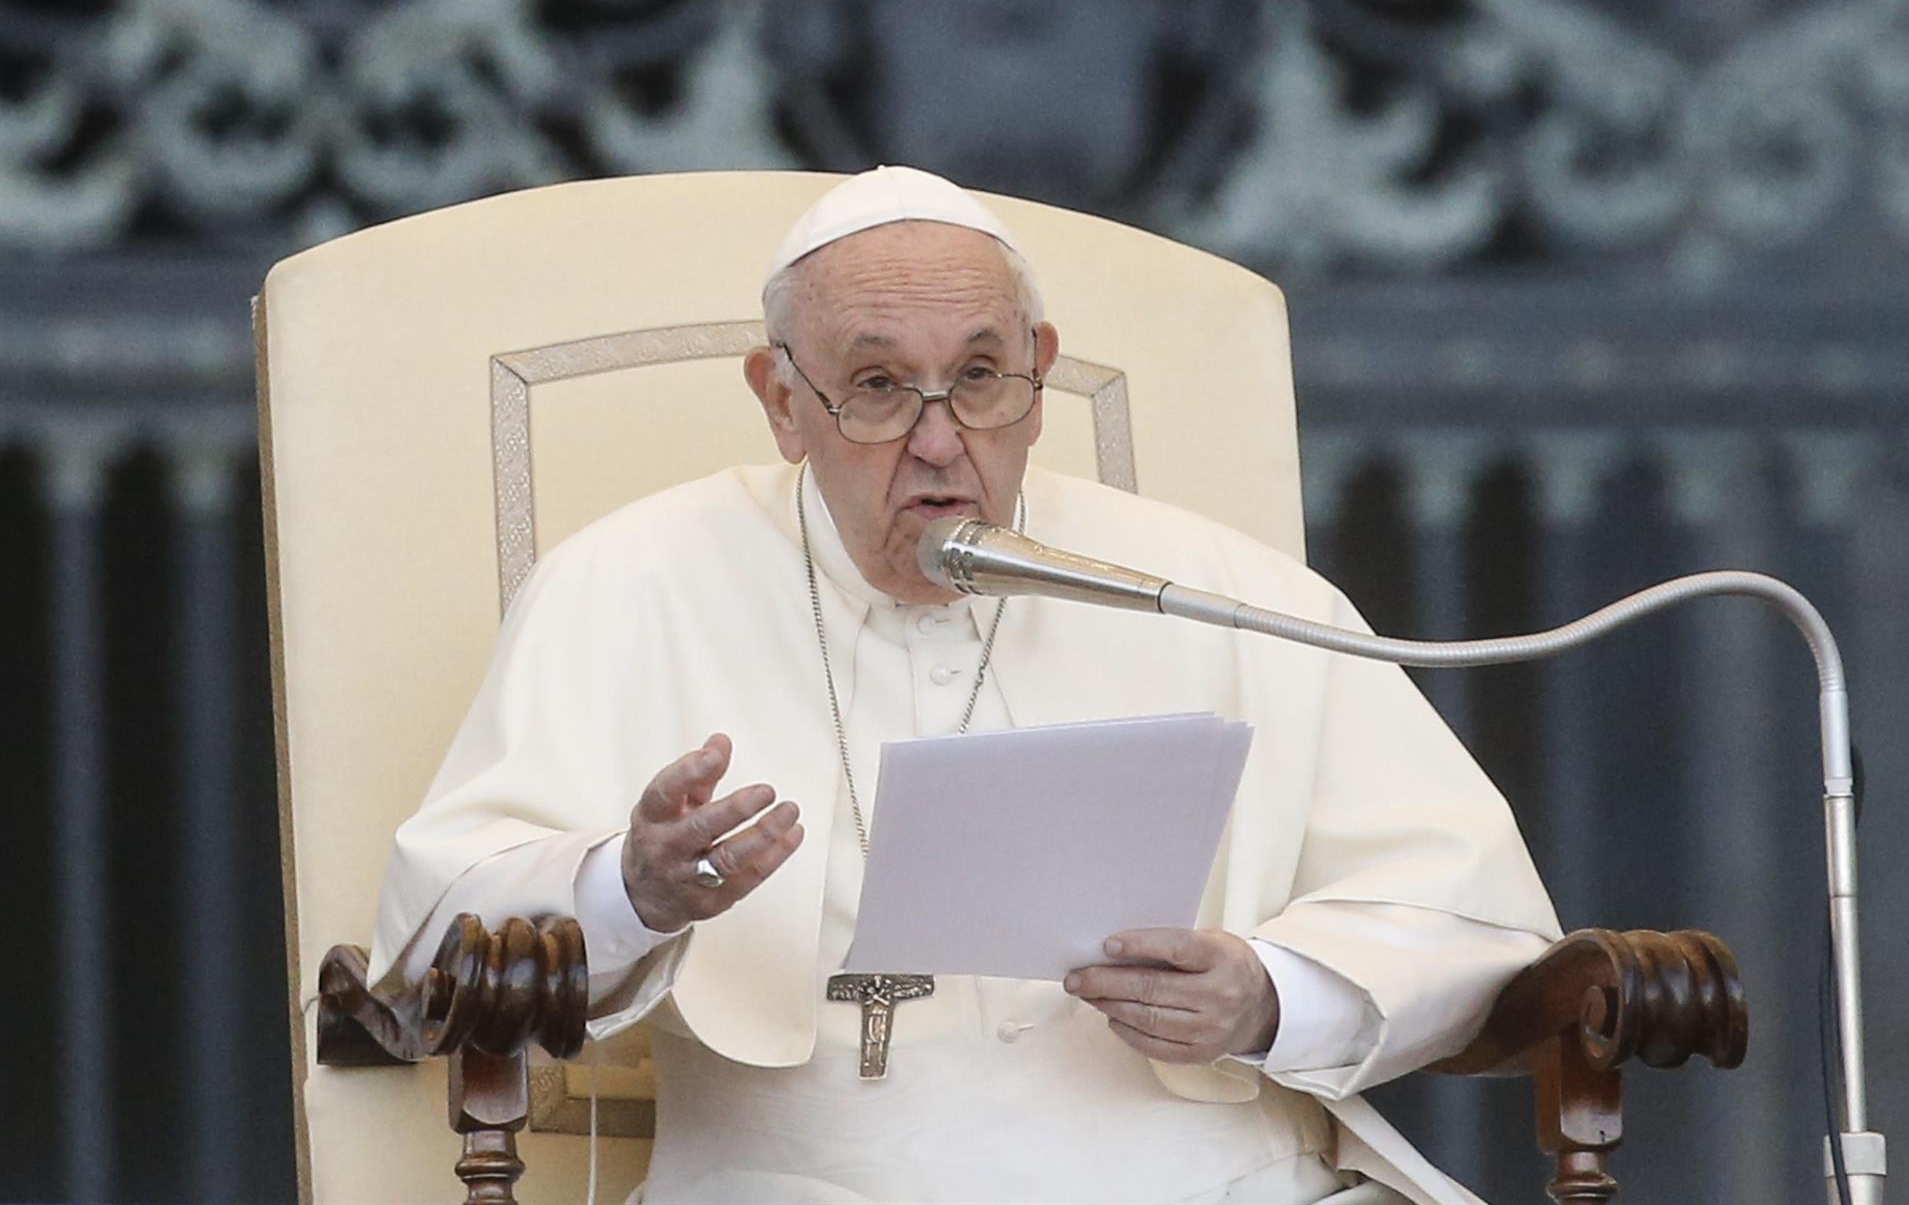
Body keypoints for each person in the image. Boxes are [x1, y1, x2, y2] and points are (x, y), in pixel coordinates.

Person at [369, 166, 1560, 1204]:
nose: (940, 441)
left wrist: (1273, 995)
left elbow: (1471, 912)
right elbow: (432, 937)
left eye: (981, 377)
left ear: (1040, 376)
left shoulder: (1214, 588)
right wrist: (627, 889)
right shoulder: (626, 586)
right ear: (784, 401)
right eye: (878, 386)